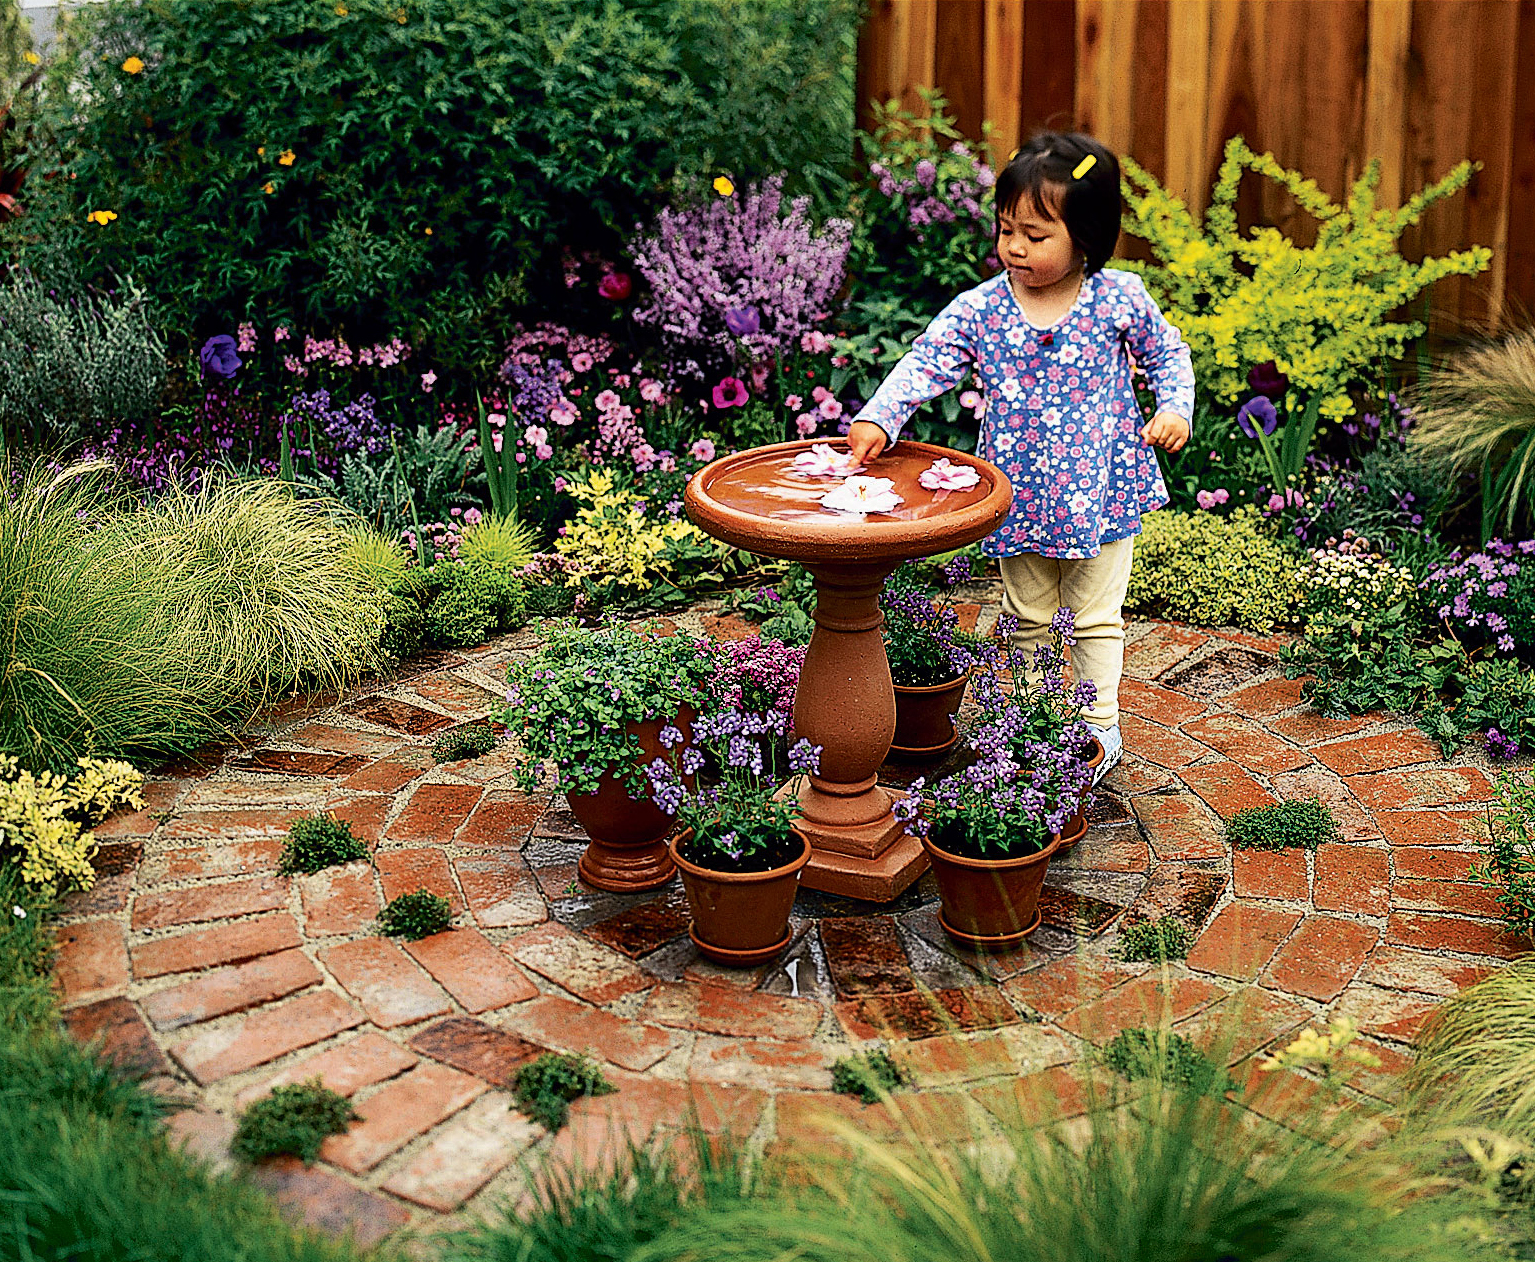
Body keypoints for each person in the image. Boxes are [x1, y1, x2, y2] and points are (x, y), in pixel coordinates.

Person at [845, 131, 1195, 785]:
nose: (1014, 247)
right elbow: (926, 362)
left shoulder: (1118, 299)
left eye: (1034, 235)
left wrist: (1174, 407)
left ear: (1085, 237)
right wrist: (880, 416)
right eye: (1006, 229)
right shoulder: (981, 309)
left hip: (1103, 494)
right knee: (1027, 617)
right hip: (1020, 497)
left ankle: (1097, 729)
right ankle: (1030, 721)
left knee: (1094, 620)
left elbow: (1167, 354)